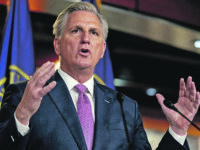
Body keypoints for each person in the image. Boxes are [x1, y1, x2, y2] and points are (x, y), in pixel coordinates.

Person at [0, 2, 199, 150]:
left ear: (102, 49)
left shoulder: (125, 107)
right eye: (76, 30)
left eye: (94, 33)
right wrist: (22, 116)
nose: (86, 39)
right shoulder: (24, 96)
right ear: (57, 44)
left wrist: (178, 131)